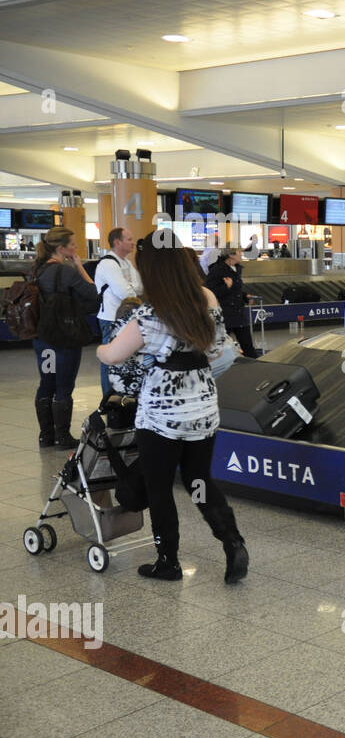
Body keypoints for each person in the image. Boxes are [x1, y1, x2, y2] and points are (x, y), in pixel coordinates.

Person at [96, 229, 248, 583]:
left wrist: (109, 346)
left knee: (160, 486)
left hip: (161, 415)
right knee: (199, 479)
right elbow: (217, 350)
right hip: (203, 408)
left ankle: (168, 561)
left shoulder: (149, 314)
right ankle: (233, 542)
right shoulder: (208, 298)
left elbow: (112, 354)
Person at [31, 226, 98, 449]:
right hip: (65, 336)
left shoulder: (37, 270)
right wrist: (79, 266)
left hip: (43, 337)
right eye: (73, 244)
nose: (76, 248)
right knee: (64, 386)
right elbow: (92, 293)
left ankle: (45, 436)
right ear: (60, 248)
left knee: (46, 383)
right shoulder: (66, 271)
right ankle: (62, 437)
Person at [95, 227, 143, 396]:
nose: (133, 243)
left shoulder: (127, 263)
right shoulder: (108, 263)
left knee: (126, 359)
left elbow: (139, 287)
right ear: (117, 242)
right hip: (110, 319)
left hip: (127, 318)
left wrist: (130, 288)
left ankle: (123, 397)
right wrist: (131, 288)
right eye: (129, 239)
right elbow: (125, 293)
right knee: (110, 359)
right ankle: (109, 398)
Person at [204, 245, 256, 356]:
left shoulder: (236, 269)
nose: (241, 254)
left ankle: (253, 367)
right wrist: (225, 287)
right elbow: (209, 292)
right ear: (231, 255)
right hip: (225, 314)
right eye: (239, 252)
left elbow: (236, 290)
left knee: (247, 345)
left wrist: (245, 296)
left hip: (238, 312)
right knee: (221, 346)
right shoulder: (217, 270)